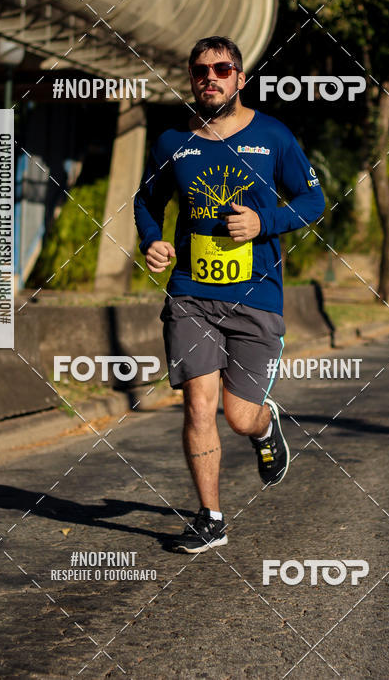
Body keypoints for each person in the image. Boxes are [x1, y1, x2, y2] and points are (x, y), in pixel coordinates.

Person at [134, 36, 325, 553]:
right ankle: (211, 518)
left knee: (239, 416)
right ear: (192, 79)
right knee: (199, 406)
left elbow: (314, 199)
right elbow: (146, 201)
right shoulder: (173, 141)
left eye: (222, 69)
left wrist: (266, 221)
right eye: (201, 71)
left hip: (256, 296)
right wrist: (152, 240)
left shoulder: (272, 135)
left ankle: (266, 429)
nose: (210, 78)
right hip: (191, 293)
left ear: (241, 78)